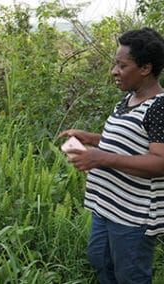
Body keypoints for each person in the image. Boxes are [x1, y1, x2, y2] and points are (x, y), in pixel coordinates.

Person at [59, 27, 164, 283]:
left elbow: (160, 162)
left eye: (122, 65)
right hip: (106, 206)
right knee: (101, 261)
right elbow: (130, 141)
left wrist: (101, 158)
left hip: (133, 215)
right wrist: (92, 139)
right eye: (115, 64)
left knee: (130, 275)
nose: (114, 71)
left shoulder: (160, 106)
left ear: (145, 68)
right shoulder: (129, 99)